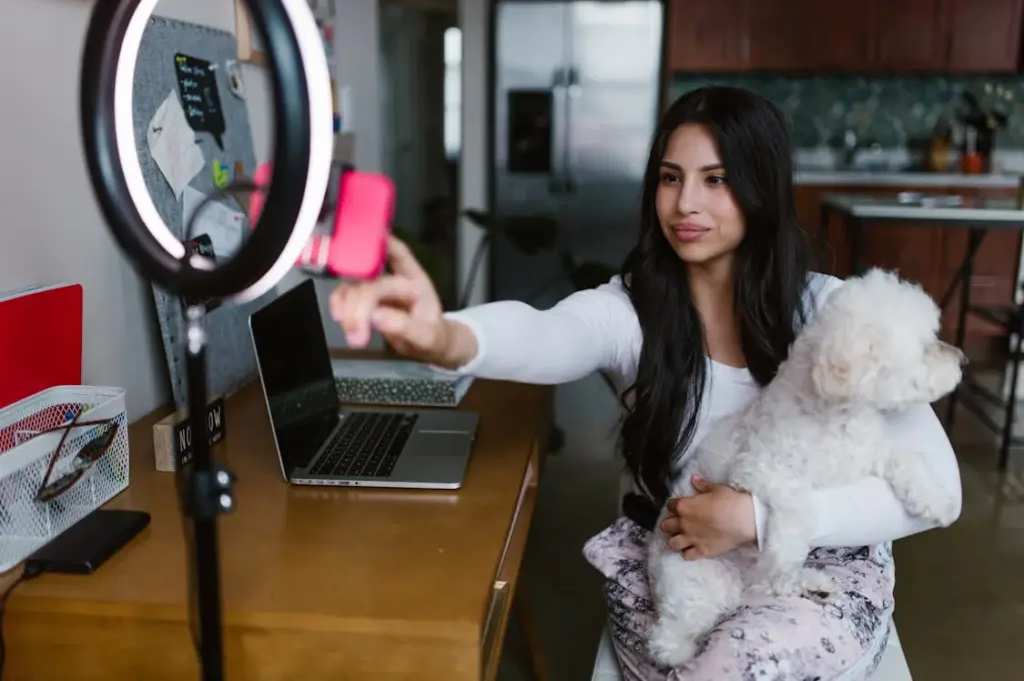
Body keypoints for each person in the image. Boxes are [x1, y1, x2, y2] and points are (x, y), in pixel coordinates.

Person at [329, 86, 962, 680]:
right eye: (670, 178)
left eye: (716, 180)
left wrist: (756, 518)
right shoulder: (630, 312)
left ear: (762, 190)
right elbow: (545, 333)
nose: (685, 204)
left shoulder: (836, 312)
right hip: (683, 554)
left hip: (822, 564)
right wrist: (442, 336)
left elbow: (939, 489)